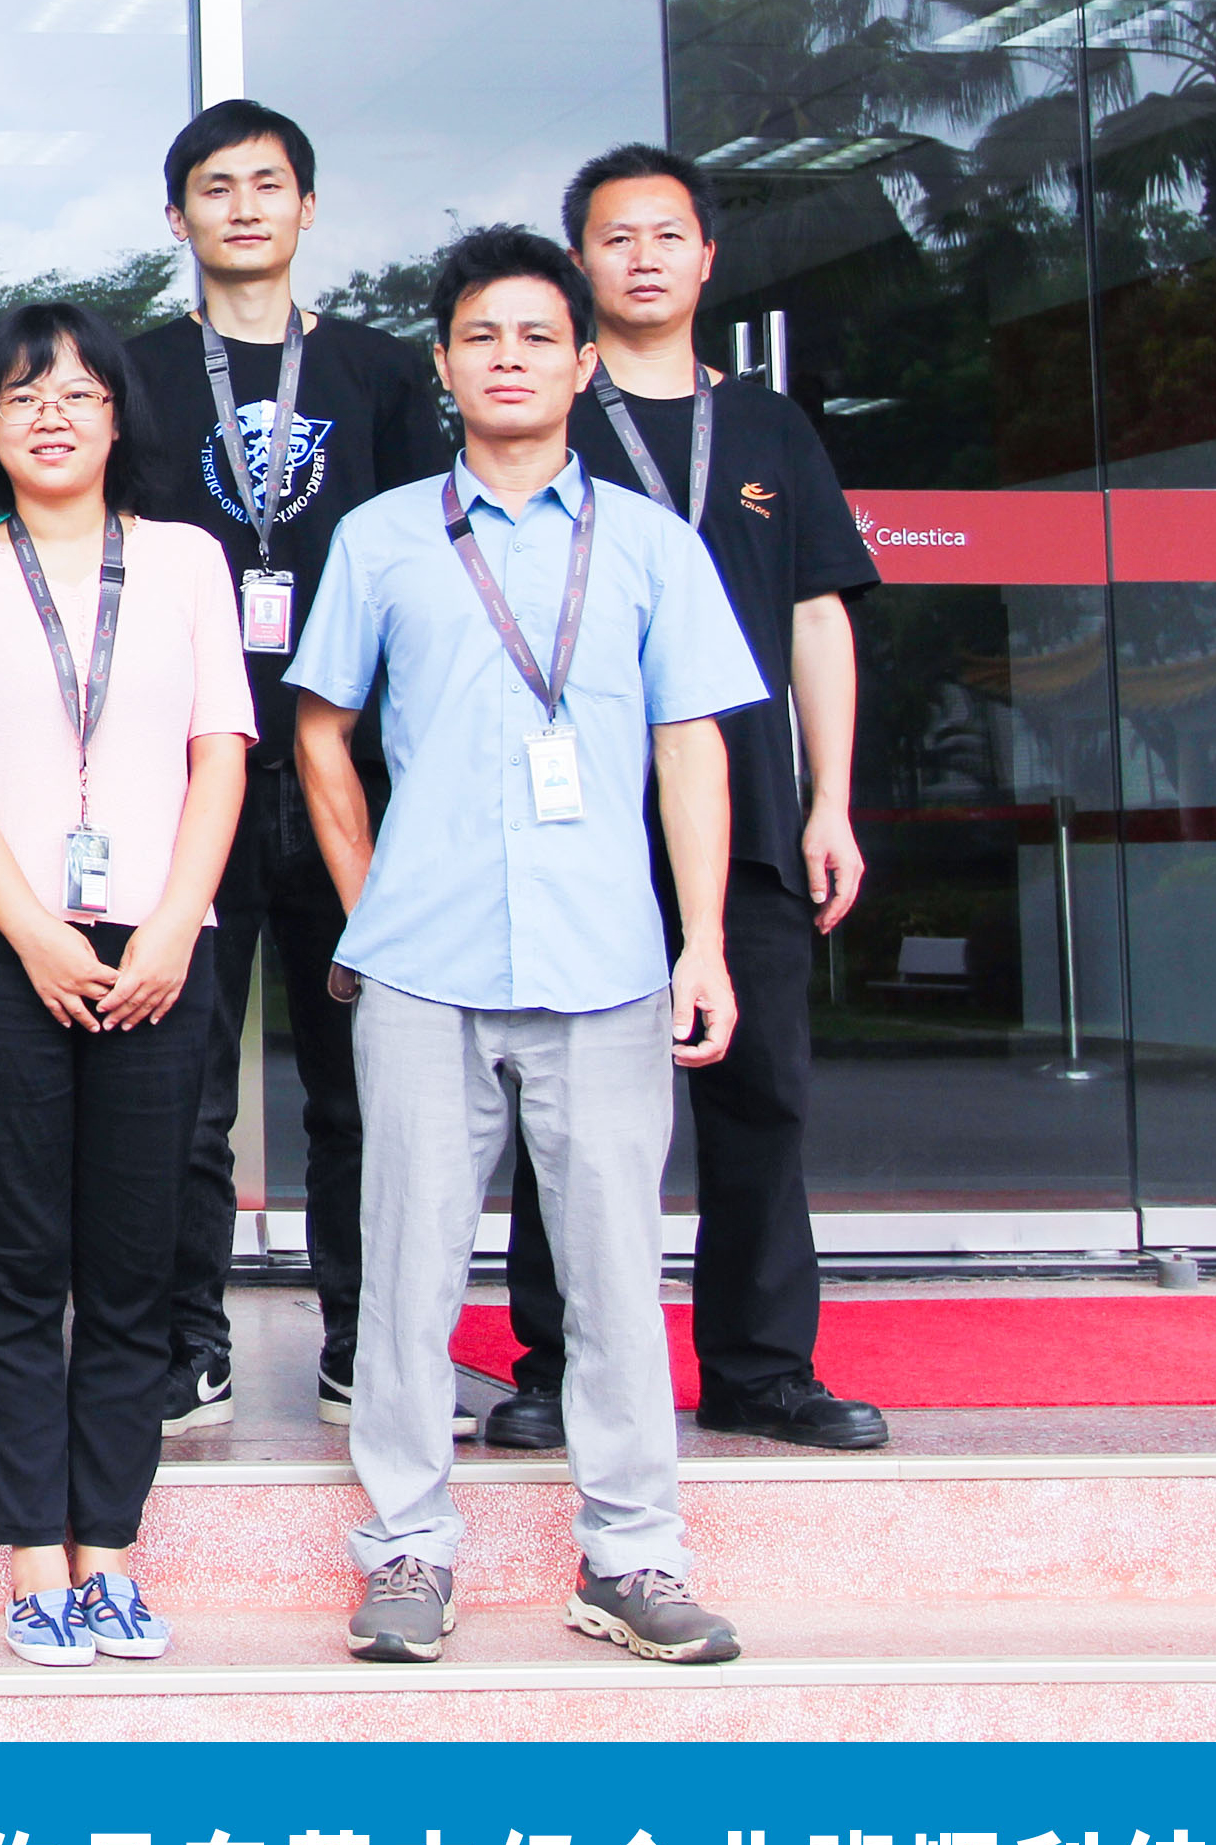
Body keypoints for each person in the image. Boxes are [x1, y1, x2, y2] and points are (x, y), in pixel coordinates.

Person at [289, 226, 754, 1667]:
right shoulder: (381, 538)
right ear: (442, 365)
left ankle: (632, 1556)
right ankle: (407, 1550)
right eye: (481, 337)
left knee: (615, 1273)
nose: (509, 359)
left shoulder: (654, 546)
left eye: (538, 336)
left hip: (607, 960)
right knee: (408, 1269)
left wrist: (702, 941)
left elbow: (691, 749)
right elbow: (321, 732)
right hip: (423, 969)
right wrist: (371, 907)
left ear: (584, 362)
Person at [486, 145, 888, 1453]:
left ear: (708, 257)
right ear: (580, 264)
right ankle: (561, 1365)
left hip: (753, 814)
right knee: (569, 1107)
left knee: (760, 1099)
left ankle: (763, 1369)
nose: (644, 257)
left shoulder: (770, 427)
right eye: (617, 238)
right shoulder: (545, 417)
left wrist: (831, 801)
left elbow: (819, 618)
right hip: (586, 817)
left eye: (668, 234)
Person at [0, 303, 252, 1667]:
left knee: (131, 1264)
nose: (51, 415)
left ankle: (108, 1549)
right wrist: (40, 935)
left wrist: (171, 927)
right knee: (16, 1257)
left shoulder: (187, 561)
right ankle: (32, 1559)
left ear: (118, 416)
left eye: (79, 393)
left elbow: (221, 750)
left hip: (161, 946)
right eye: (21, 395)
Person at [121, 100, 455, 1437]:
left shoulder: (381, 372)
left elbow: (433, 565)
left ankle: (365, 1346)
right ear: (177, 217)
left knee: (361, 1077)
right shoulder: (137, 370)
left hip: (347, 772)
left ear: (308, 208)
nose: (245, 206)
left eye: (269, 184)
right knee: (183, 1086)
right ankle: (185, 1345)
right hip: (186, 772)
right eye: (217, 186)